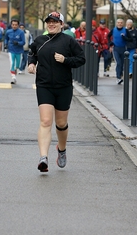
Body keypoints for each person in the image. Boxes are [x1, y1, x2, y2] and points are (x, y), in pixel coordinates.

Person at [27, 11, 85, 172]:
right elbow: (32, 54)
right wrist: (31, 64)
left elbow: (81, 59)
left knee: (61, 123)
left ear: (61, 24)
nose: (51, 24)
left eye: (55, 22)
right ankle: (43, 158)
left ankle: (62, 150)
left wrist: (65, 60)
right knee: (46, 121)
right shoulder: (40, 40)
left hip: (63, 87)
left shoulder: (69, 41)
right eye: (49, 22)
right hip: (44, 85)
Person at [108, 19, 132, 84]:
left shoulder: (125, 30)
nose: (120, 24)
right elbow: (108, 36)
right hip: (116, 49)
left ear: (123, 24)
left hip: (123, 48)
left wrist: (125, 38)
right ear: (116, 23)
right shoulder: (113, 30)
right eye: (118, 23)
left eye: (121, 23)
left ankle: (120, 75)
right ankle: (118, 77)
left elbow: (131, 39)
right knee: (118, 63)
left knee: (122, 64)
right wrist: (110, 43)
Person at [4, 19, 25, 84]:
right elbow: (6, 39)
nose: (14, 26)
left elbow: (23, 42)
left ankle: (14, 74)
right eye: (13, 25)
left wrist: (18, 43)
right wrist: (5, 44)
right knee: (12, 63)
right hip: (11, 50)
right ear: (11, 25)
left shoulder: (21, 32)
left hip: (19, 51)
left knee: (17, 66)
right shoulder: (8, 31)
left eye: (16, 25)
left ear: (18, 25)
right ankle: (13, 77)